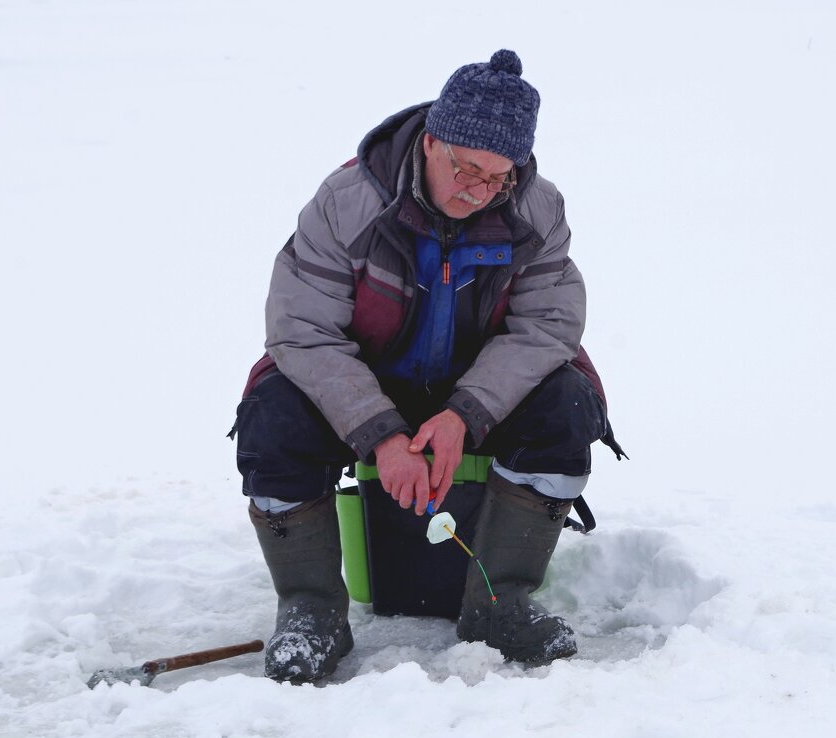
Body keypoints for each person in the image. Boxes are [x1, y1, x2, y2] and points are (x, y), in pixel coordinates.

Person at [231, 50, 623, 683]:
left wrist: (464, 415)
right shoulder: (347, 200)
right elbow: (302, 331)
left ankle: (501, 604)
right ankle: (311, 610)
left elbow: (547, 326)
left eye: (499, 177)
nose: (480, 189)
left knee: (569, 404)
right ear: (432, 142)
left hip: (477, 391)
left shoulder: (538, 210)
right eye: (467, 168)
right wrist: (382, 434)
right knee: (273, 415)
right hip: (366, 383)